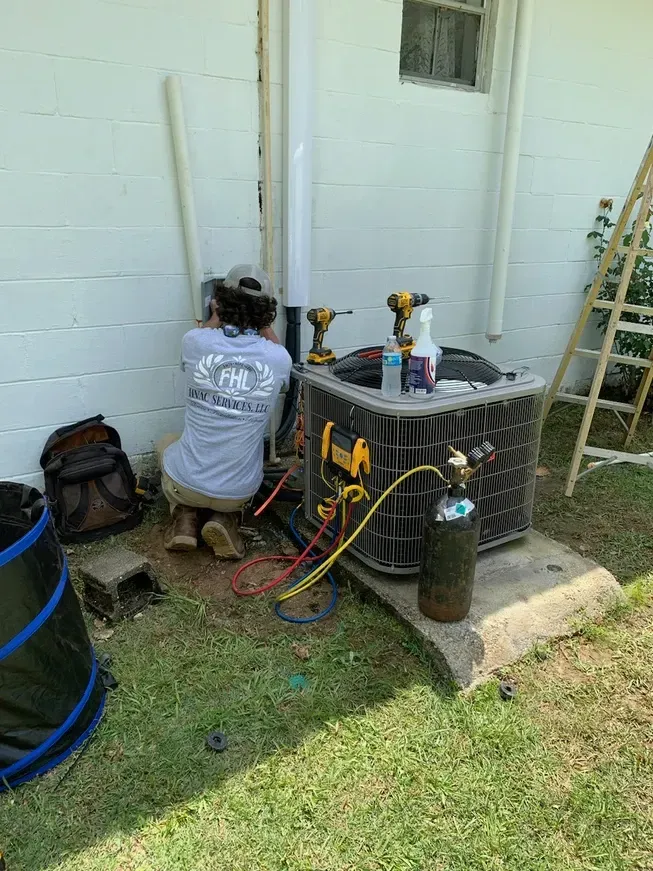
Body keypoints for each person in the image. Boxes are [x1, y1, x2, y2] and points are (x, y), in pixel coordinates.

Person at [159, 265, 292, 559]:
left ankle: (185, 518)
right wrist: (261, 322)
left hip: (187, 485)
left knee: (167, 443)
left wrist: (216, 316)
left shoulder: (195, 341)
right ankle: (225, 519)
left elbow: (205, 332)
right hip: (239, 491)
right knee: (231, 481)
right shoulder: (278, 358)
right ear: (266, 313)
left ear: (218, 302)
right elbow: (279, 356)